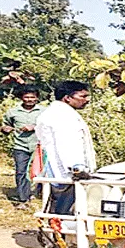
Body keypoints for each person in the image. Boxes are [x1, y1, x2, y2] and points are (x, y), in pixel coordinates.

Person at [36, 80, 95, 215]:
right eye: (83, 96)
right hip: (66, 173)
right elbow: (67, 144)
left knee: (55, 211)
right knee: (64, 214)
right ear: (67, 98)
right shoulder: (62, 116)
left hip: (57, 170)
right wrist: (77, 168)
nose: (87, 100)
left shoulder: (53, 112)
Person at [0, 85, 44, 208]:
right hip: (20, 146)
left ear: (37, 98)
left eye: (32, 97)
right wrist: (5, 129)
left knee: (40, 171)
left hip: (39, 146)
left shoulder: (44, 111)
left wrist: (34, 127)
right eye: (27, 97)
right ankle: (23, 199)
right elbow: (5, 126)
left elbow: (50, 127)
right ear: (21, 98)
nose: (30, 100)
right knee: (21, 171)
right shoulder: (12, 112)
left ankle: (38, 193)